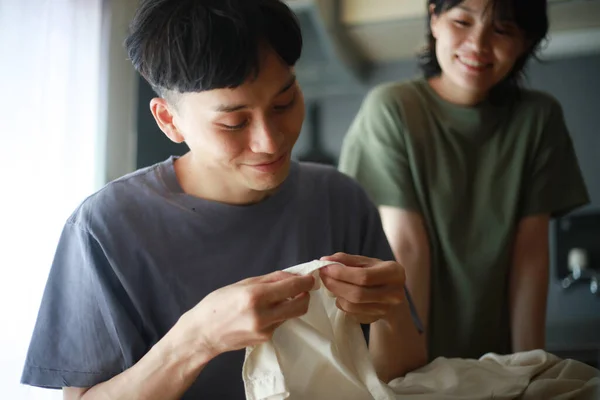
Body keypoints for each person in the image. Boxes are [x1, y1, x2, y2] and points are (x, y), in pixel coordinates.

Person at [20, 0, 426, 399]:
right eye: (234, 122)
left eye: (284, 103)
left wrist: (390, 311)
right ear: (169, 120)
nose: (270, 141)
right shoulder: (104, 227)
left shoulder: (339, 198)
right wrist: (198, 339)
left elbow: (400, 380)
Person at [339, 0, 589, 362]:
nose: (479, 44)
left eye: (502, 29)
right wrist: (418, 372)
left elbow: (530, 254)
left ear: (526, 42)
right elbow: (407, 247)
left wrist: (529, 367)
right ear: (435, 19)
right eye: (462, 21)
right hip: (401, 351)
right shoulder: (393, 108)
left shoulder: (538, 118)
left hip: (494, 357)